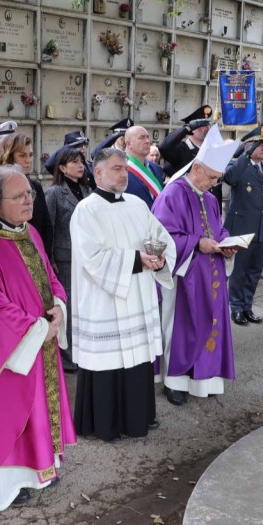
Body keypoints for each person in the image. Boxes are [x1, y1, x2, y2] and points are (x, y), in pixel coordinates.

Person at [0, 167, 77, 510]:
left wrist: (59, 308)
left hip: (38, 341)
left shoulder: (30, 234)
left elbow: (51, 277)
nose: (28, 201)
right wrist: (38, 329)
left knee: (38, 407)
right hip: (4, 355)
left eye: (29, 194)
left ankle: (39, 471)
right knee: (10, 413)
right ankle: (4, 485)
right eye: (18, 196)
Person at [71, 148, 175, 442]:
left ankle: (138, 418)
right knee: (109, 361)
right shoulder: (86, 210)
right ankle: (106, 425)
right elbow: (92, 258)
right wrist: (136, 260)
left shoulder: (136, 204)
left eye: (125, 169)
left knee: (138, 360)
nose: (123, 174)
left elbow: (160, 237)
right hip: (105, 299)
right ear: (99, 172)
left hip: (138, 294)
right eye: (116, 169)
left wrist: (160, 257)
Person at [153, 124, 239, 404]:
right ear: (197, 168)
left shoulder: (208, 196)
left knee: (210, 325)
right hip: (184, 276)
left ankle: (206, 379)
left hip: (211, 275)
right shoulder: (173, 194)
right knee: (183, 328)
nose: (214, 184)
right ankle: (174, 382)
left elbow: (218, 228)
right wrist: (196, 243)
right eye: (212, 178)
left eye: (218, 179)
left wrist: (227, 243)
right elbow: (161, 236)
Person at [44, 146, 92, 373]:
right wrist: (50, 257)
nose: (80, 165)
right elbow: (48, 227)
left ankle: (82, 349)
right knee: (69, 305)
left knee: (84, 305)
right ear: (62, 168)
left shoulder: (88, 190)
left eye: (81, 161)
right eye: (74, 162)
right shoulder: (54, 193)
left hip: (86, 258)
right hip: (63, 258)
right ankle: (68, 355)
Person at [222, 124, 263, 324]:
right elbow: (230, 178)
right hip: (242, 229)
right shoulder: (239, 166)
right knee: (239, 270)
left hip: (261, 229)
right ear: (249, 147)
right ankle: (235, 307)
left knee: (254, 271)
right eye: (258, 145)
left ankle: (247, 306)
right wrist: (245, 154)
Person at [0, 133, 54, 257]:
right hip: (2, 255)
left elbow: (45, 225)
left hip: (34, 255)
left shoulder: (34, 186)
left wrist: (47, 258)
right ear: (8, 156)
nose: (28, 160)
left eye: (30, 155)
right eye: (22, 155)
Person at [123, 126, 166, 208]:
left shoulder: (157, 168)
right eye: (141, 138)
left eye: (147, 137)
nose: (147, 141)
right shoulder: (120, 169)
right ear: (129, 144)